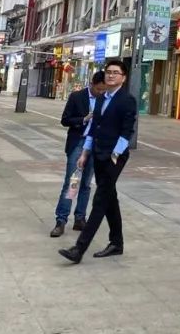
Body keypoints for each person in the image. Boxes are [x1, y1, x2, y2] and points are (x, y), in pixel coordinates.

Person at [58, 59, 137, 263]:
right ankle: (117, 243)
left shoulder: (127, 100)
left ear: (123, 78)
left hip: (114, 157)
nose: (111, 75)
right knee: (110, 198)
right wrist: (85, 153)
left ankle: (79, 249)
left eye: (115, 72)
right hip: (97, 152)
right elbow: (93, 129)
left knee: (100, 200)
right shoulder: (102, 98)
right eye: (108, 72)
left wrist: (115, 155)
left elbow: (127, 132)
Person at [50, 70, 105, 237]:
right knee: (72, 181)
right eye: (98, 89)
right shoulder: (77, 97)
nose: (101, 93)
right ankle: (61, 220)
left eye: (103, 90)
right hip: (78, 142)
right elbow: (65, 120)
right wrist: (83, 119)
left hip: (95, 144)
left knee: (86, 184)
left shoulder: (106, 99)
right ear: (92, 84)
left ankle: (80, 218)